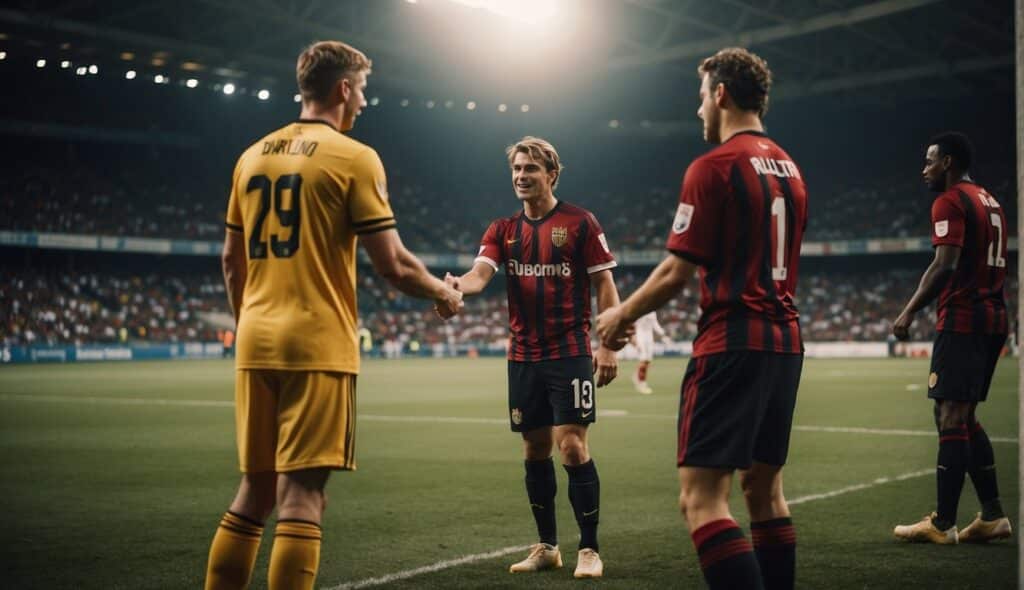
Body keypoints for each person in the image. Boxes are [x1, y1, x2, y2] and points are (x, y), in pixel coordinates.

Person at [203, 40, 463, 590]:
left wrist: (250, 323)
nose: (365, 101)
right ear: (343, 87)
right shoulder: (354, 157)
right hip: (316, 345)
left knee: (255, 490)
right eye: (363, 88)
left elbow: (232, 260)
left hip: (255, 341)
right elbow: (391, 264)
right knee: (303, 495)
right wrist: (443, 292)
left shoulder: (251, 156)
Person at [596, 47, 806, 590]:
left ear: (720, 94)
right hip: (785, 342)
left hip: (732, 342)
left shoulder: (714, 167)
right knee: (764, 492)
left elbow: (676, 273)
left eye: (699, 99)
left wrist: (619, 314)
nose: (697, 112)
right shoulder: (789, 167)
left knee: (702, 501)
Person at [446, 136, 621, 579]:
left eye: (531, 169)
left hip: (569, 351)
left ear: (552, 174)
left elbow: (605, 288)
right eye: (517, 169)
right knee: (533, 448)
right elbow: (478, 275)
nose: (521, 177)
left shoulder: (580, 223)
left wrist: (607, 344)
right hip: (523, 355)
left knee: (572, 445)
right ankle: (547, 546)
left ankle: (589, 548)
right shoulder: (502, 231)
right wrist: (452, 289)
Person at [892, 132, 1012, 545]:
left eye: (929, 161)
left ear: (947, 162)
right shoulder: (990, 200)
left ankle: (943, 523)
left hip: (964, 319)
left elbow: (944, 264)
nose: (924, 168)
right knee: (963, 415)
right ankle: (993, 515)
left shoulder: (950, 200)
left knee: (950, 417)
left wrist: (908, 310)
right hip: (995, 317)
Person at [630, 310, 670, 394]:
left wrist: (663, 335)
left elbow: (655, 325)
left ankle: (638, 377)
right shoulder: (638, 310)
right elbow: (632, 324)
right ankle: (641, 382)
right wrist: (633, 338)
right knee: (643, 360)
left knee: (648, 361)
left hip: (649, 337)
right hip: (640, 336)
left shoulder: (652, 312)